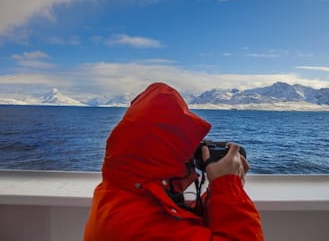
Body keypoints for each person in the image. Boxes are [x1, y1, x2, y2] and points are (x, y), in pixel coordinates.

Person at [84, 82, 264, 240]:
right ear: (163, 161)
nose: (194, 173)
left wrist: (216, 190)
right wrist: (228, 187)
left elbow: (184, 222)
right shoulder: (141, 227)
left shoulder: (124, 193)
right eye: (187, 160)